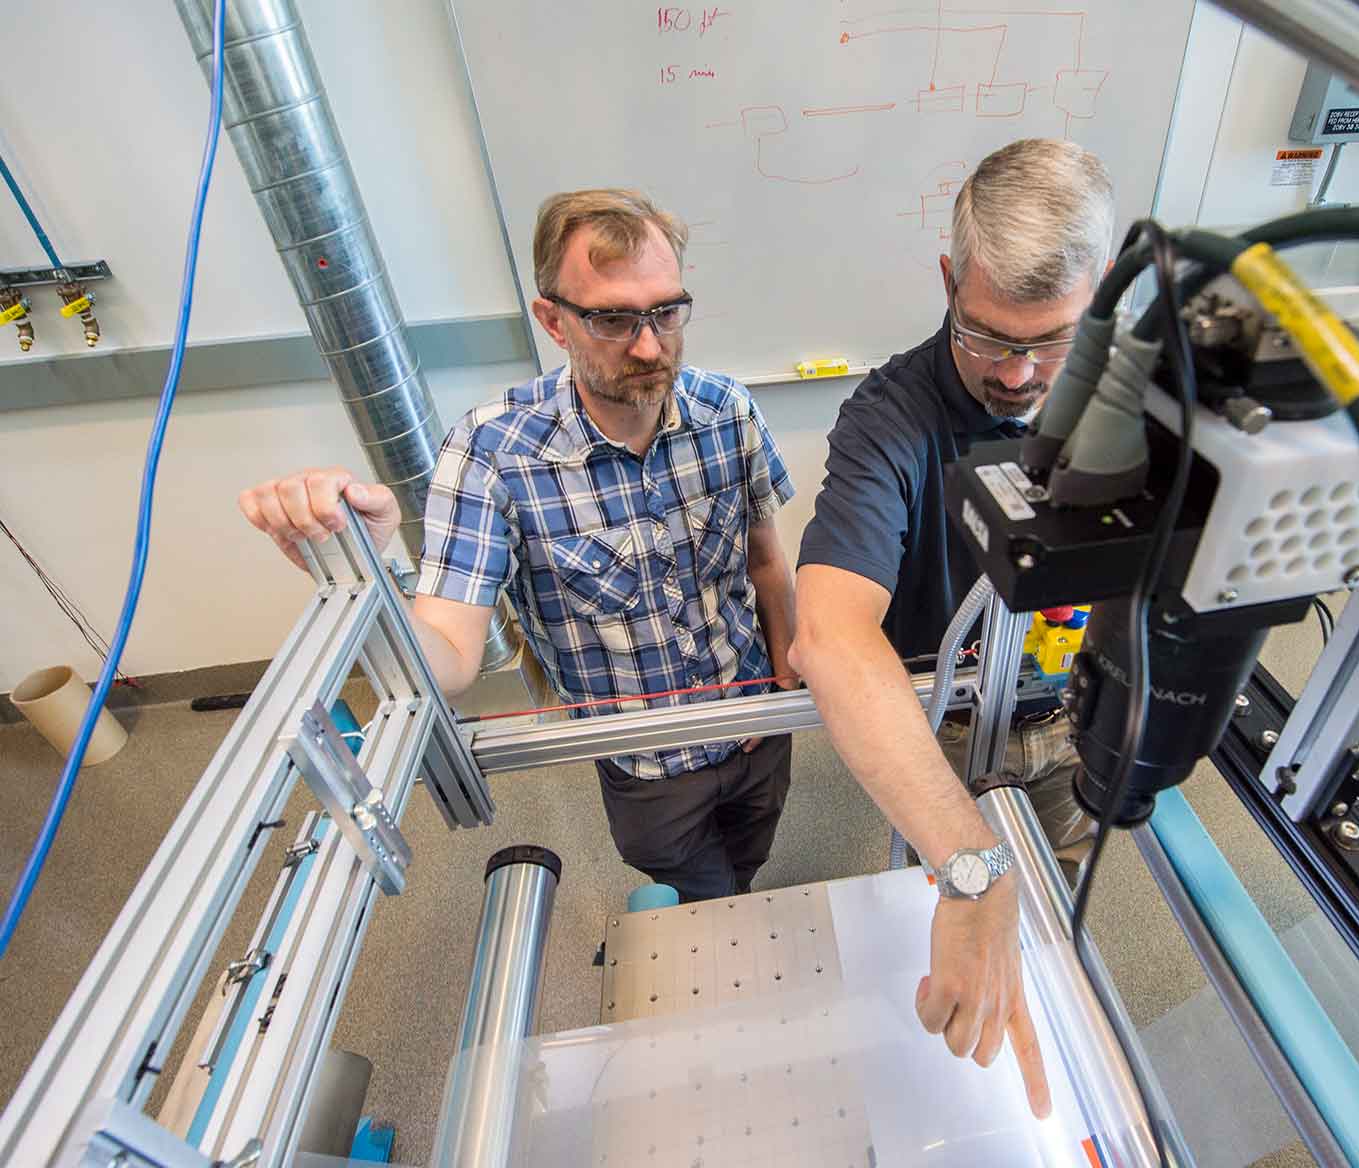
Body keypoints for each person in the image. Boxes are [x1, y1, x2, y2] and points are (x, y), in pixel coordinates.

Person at [240, 189, 798, 904]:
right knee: (706, 902)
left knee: (749, 864)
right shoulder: (491, 452)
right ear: (553, 322)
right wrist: (368, 562)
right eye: (613, 319)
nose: (651, 345)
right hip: (648, 771)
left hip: (757, 731)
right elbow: (446, 658)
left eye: (665, 310)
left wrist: (781, 696)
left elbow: (766, 565)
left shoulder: (728, 412)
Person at [788, 139, 1118, 1118]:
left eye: (1049, 340)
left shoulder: (1129, 401)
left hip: (1074, 710)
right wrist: (967, 866)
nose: (1017, 374)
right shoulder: (888, 420)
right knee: (934, 895)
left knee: (1056, 889)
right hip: (943, 720)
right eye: (987, 336)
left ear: (1098, 296)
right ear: (947, 281)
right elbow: (832, 638)